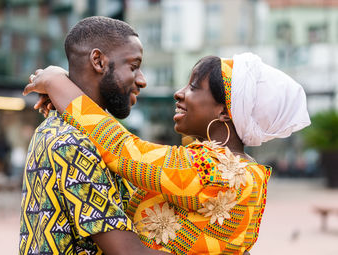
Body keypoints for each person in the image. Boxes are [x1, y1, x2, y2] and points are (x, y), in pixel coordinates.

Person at [24, 53, 310, 254]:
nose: (179, 92)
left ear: (225, 109)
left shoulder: (212, 169)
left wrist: (56, 81)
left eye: (194, 87)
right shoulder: (249, 173)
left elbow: (122, 149)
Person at [19, 16, 168, 255]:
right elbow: (127, 252)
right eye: (133, 66)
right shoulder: (73, 142)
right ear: (98, 61)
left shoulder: (60, 129)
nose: (142, 80)